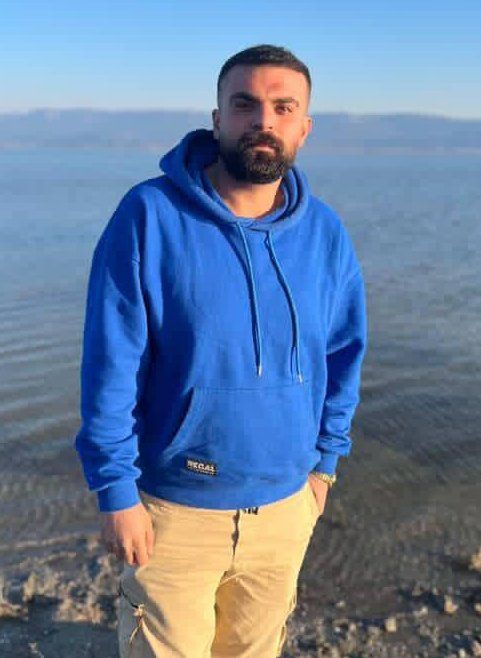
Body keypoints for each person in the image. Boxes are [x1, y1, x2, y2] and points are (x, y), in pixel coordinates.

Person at [73, 43, 368, 658]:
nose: (263, 121)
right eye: (245, 105)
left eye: (283, 108)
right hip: (172, 512)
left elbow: (343, 354)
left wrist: (324, 465)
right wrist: (116, 491)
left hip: (285, 509)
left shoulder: (325, 233)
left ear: (304, 127)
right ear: (217, 119)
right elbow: (111, 363)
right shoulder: (149, 215)